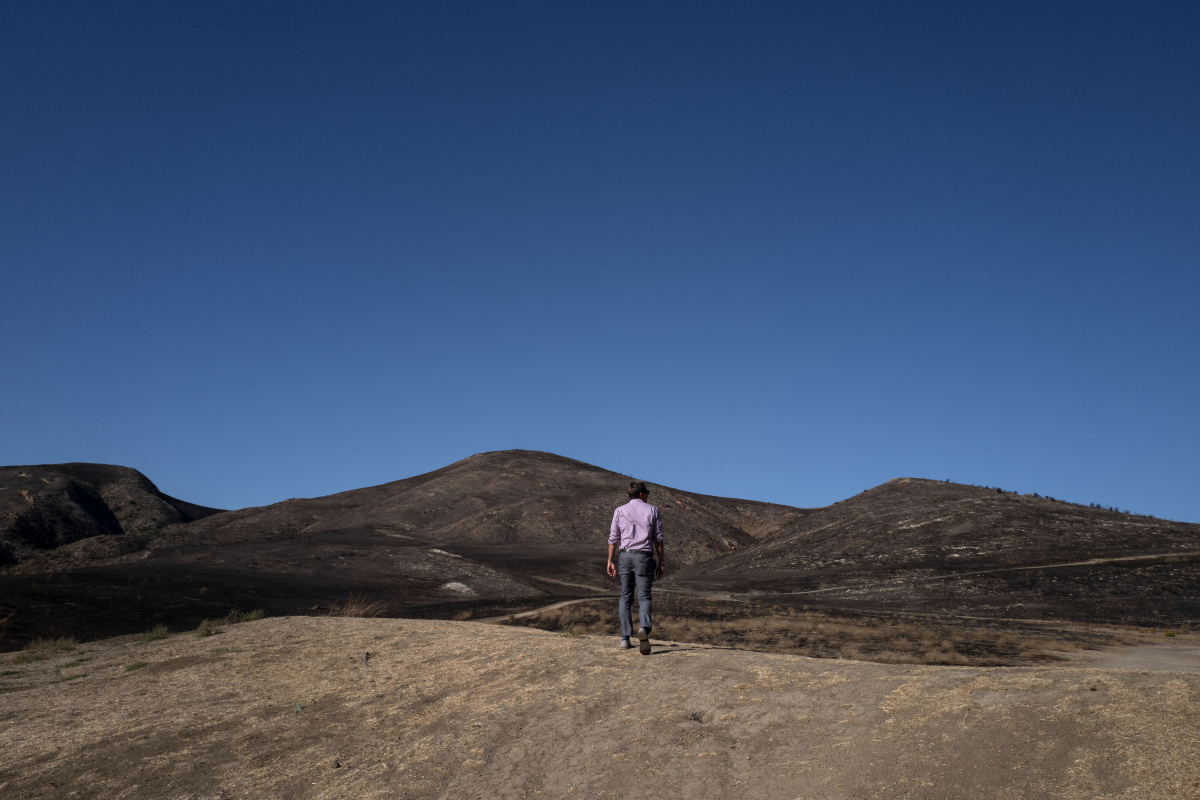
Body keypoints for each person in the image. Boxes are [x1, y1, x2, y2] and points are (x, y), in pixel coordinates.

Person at [606, 480, 665, 655]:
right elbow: (658, 539)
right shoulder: (653, 510)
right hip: (644, 557)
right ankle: (644, 629)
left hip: (624, 556)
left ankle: (625, 638)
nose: (648, 495)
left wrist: (610, 560)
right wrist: (661, 562)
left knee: (625, 596)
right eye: (647, 492)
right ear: (641, 493)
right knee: (645, 596)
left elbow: (613, 538)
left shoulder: (619, 511)